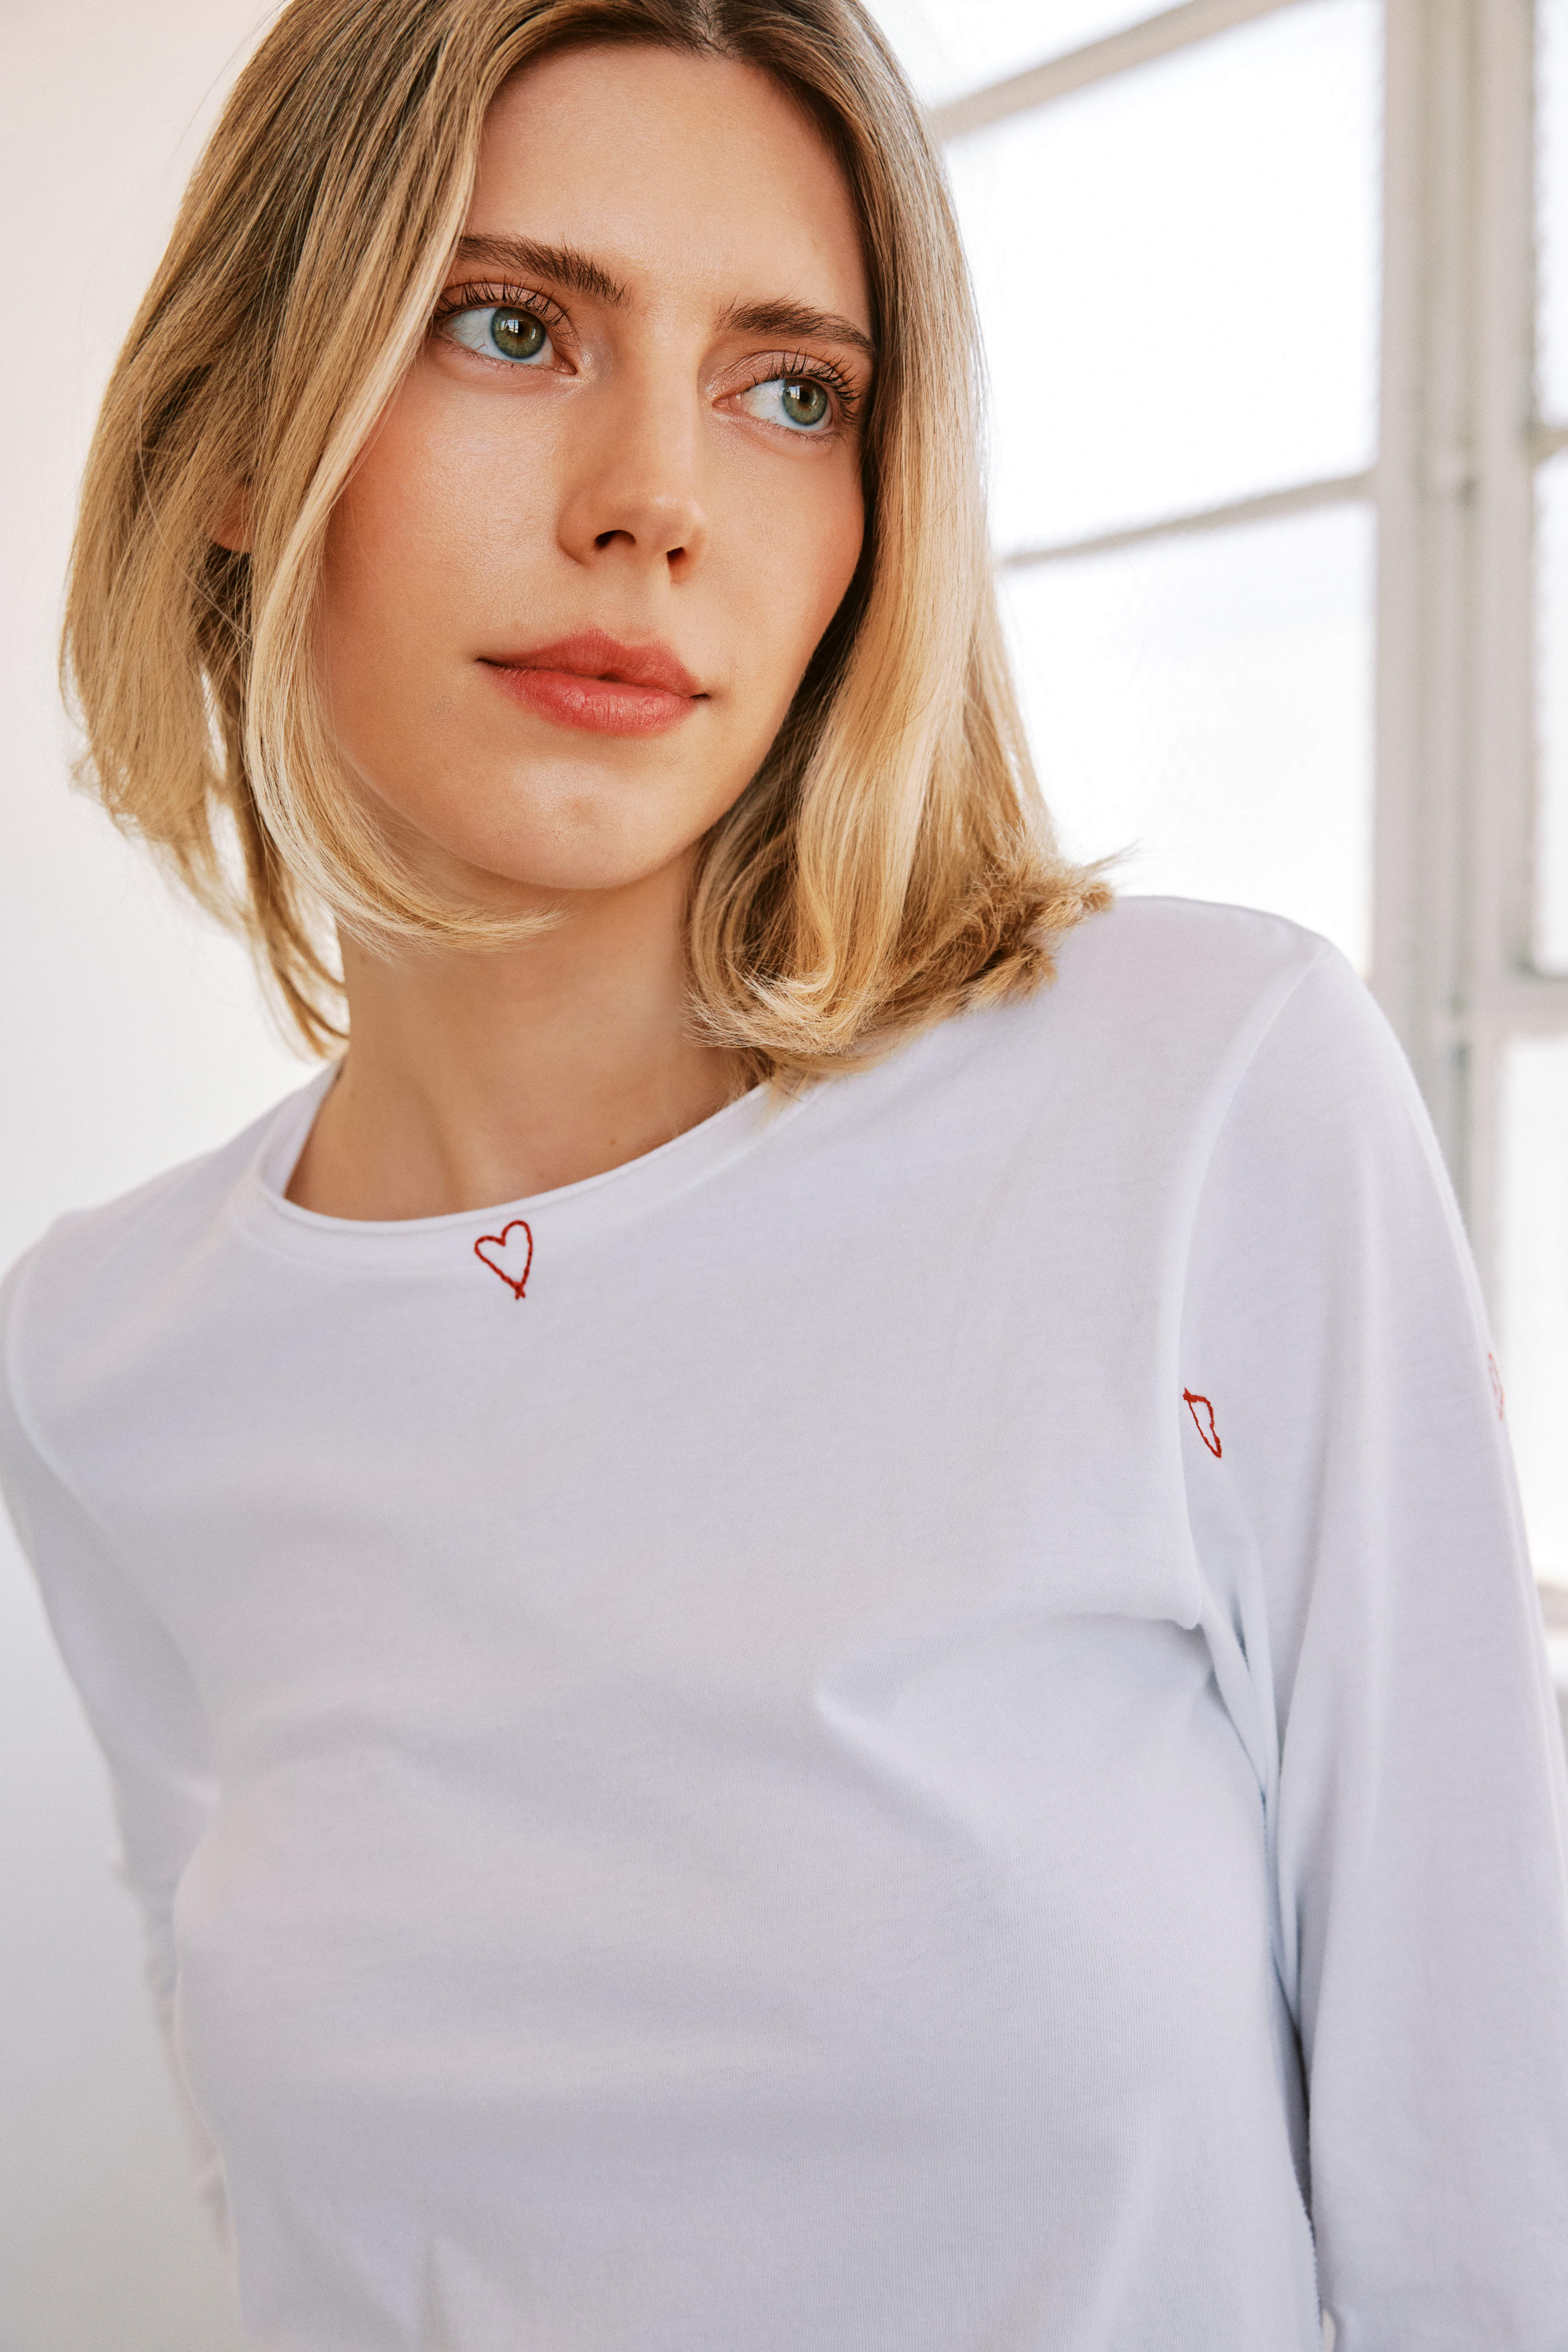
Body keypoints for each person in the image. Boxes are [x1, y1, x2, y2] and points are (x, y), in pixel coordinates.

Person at [2, 0, 1566, 2344]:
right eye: (509, 326)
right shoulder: (102, 1354)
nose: (656, 500)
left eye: (792, 389)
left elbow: (1488, 2215)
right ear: (239, 436)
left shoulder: (1203, 1103)